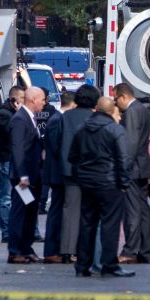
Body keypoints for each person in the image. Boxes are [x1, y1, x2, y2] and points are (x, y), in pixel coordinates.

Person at [70, 97, 134, 277]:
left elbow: (72, 156)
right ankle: (109, 265)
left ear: (96, 108)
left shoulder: (82, 128)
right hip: (109, 182)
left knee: (87, 224)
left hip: (87, 182)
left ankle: (83, 265)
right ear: (112, 109)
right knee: (110, 225)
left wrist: (81, 174)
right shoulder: (115, 129)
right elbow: (124, 159)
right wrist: (124, 182)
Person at [113, 83, 150, 265]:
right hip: (142, 166)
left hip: (133, 169)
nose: (115, 104)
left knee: (132, 212)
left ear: (123, 96)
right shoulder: (142, 109)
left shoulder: (131, 112)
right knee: (143, 212)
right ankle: (145, 251)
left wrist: (124, 169)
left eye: (115, 99)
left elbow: (130, 144)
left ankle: (130, 251)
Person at [59, 84, 99, 262]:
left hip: (69, 171)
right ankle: (85, 251)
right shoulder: (95, 118)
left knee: (70, 211)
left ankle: (67, 251)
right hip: (90, 172)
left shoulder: (66, 117)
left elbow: (57, 141)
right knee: (90, 213)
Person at [6, 87, 46, 264]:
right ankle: (15, 250)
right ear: (34, 100)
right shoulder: (20, 120)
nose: (44, 103)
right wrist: (22, 175)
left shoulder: (30, 118)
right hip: (23, 177)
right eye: (43, 99)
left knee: (30, 213)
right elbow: (18, 149)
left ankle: (26, 247)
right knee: (19, 213)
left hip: (32, 175)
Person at [42, 91, 76, 264]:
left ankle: (58, 249)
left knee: (59, 212)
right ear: (72, 104)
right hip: (58, 175)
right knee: (56, 213)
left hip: (58, 174)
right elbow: (57, 149)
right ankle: (52, 250)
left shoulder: (58, 119)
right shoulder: (57, 120)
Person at [0, 86, 25, 243]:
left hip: (20, 160)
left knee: (25, 194)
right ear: (14, 99)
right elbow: (12, 133)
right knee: (6, 197)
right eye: (22, 98)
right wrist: (19, 113)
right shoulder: (4, 114)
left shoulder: (17, 113)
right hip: (8, 159)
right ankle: (6, 231)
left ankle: (29, 230)